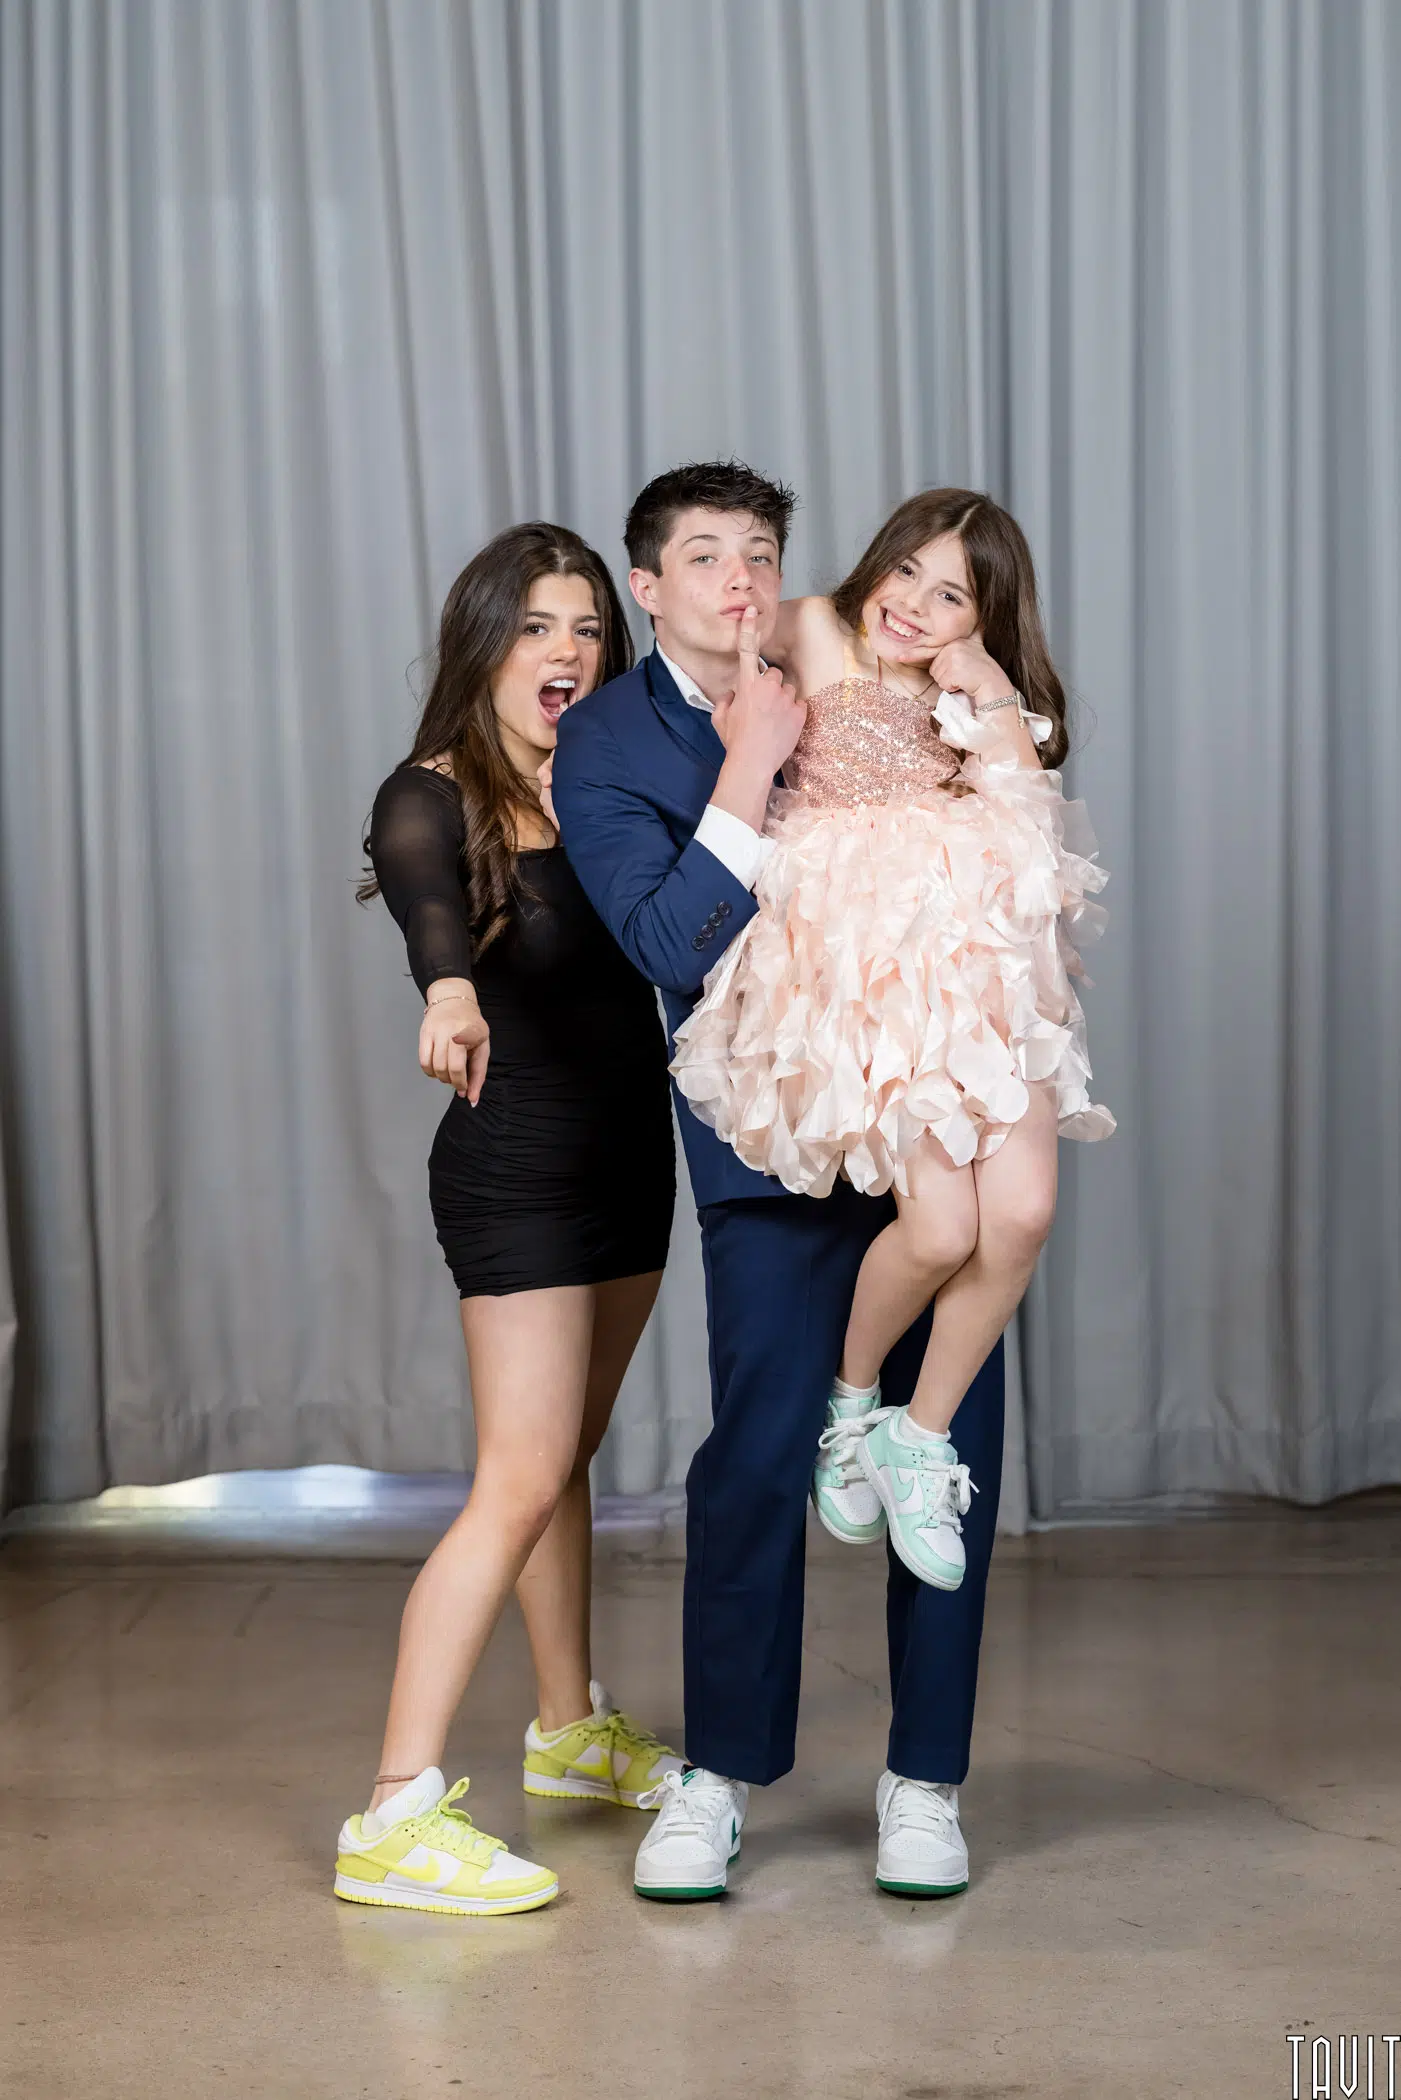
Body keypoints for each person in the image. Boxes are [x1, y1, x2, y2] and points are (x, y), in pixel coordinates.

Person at [551, 462, 1006, 1904]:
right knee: (754, 1455)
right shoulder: (608, 741)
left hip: (929, 1124)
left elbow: (989, 823)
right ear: (648, 585)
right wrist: (749, 759)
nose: (738, 576)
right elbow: (673, 946)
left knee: (938, 1457)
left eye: (758, 549)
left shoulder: (849, 649)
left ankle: (926, 1780)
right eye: (703, 555)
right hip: (764, 1148)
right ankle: (722, 1771)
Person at [670, 489, 1113, 1595]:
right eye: (907, 570)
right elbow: (700, 641)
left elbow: (1036, 846)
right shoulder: (816, 626)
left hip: (981, 974)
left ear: (984, 615)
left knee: (1021, 1212)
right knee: (941, 1222)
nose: (914, 603)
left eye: (951, 593)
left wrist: (1000, 702)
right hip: (866, 975)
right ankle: (854, 1399)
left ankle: (917, 1436)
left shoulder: (982, 693)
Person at [336, 523, 681, 1919]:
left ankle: (566, 1731)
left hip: (629, 1165)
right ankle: (391, 1815)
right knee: (518, 1474)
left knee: (564, 1462)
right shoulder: (430, 794)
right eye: (538, 626)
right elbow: (432, 916)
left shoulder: (607, 784)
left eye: (590, 627)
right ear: (483, 640)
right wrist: (448, 992)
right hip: (517, 1171)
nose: (569, 652)